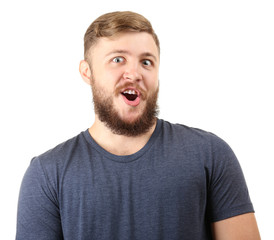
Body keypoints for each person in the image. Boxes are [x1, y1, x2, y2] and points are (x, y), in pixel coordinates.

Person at [16, 11, 261, 240]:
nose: (134, 73)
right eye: (118, 59)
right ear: (87, 72)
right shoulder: (47, 175)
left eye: (146, 62)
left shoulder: (211, 154)